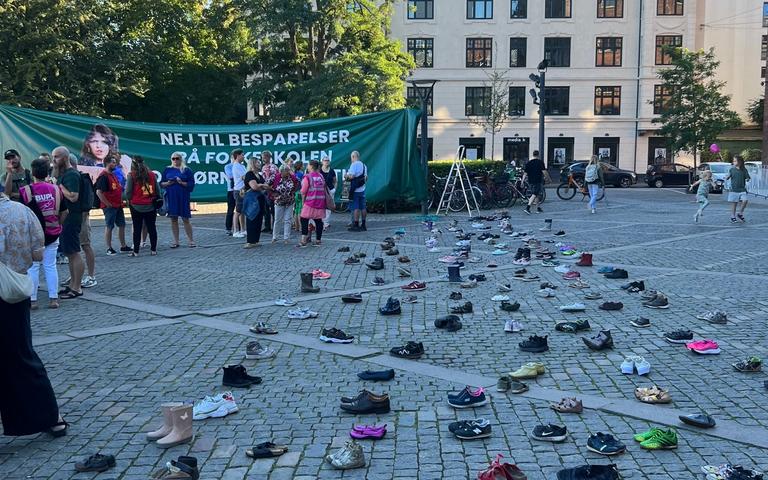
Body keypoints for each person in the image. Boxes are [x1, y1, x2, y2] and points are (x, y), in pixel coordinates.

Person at [0, 182, 67, 438]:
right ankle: (51, 417)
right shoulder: (22, 211)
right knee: (23, 356)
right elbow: (38, 254)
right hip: (14, 292)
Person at [19, 157, 63, 310]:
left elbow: (22, 214)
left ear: (32, 173)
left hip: (33, 235)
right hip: (53, 232)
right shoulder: (56, 189)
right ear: (47, 172)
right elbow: (65, 211)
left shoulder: (25, 191)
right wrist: (58, 223)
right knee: (50, 266)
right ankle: (53, 299)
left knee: (33, 267)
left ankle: (33, 300)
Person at [54, 147, 84, 299]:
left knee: (74, 252)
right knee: (69, 252)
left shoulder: (71, 175)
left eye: (56, 157)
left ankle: (77, 287)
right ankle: (73, 284)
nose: (54, 161)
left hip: (72, 217)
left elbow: (73, 197)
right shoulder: (63, 174)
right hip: (66, 217)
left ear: (65, 158)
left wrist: (59, 187)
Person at [70, 154, 97, 289]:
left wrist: (83, 217)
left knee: (85, 245)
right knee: (74, 248)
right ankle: (75, 275)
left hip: (82, 217)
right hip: (72, 218)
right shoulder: (70, 178)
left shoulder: (81, 178)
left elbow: (87, 201)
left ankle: (91, 276)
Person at [125, 156, 161, 256]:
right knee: (151, 227)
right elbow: (157, 190)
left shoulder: (131, 175)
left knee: (137, 228)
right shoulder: (152, 175)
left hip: (136, 205)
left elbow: (128, 192)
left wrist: (130, 200)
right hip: (150, 205)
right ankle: (153, 250)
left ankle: (136, 251)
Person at [95, 156, 130, 255]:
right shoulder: (104, 176)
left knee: (122, 225)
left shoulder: (113, 175)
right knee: (109, 226)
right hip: (110, 206)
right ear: (107, 163)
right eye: (113, 162)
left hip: (118, 205)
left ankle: (123, 246)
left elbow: (117, 189)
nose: (115, 164)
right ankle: (109, 248)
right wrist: (107, 204)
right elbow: (99, 192)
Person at [161, 152, 195, 247]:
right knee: (173, 219)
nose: (175, 160)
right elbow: (161, 183)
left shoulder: (186, 170)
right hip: (171, 197)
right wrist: (168, 183)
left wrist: (182, 182)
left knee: (185, 219)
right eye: (173, 159)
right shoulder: (167, 169)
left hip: (183, 197)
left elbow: (191, 185)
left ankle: (191, 240)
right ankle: (176, 241)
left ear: (181, 159)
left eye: (177, 158)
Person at [242, 158, 271, 248]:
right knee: (252, 219)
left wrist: (262, 186)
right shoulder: (249, 174)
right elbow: (254, 186)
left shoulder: (259, 175)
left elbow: (267, 186)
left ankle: (256, 241)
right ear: (253, 164)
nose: (260, 163)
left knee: (259, 220)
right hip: (252, 200)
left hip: (260, 199)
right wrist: (262, 185)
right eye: (258, 162)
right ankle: (250, 241)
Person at [299, 160, 327, 247]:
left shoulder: (307, 177)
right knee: (318, 221)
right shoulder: (321, 176)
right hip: (320, 202)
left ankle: (304, 240)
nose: (307, 166)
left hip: (310, 202)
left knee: (304, 219)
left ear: (311, 166)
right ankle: (318, 240)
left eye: (308, 165)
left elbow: (303, 190)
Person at [271, 164, 300, 244]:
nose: (288, 172)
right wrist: (272, 194)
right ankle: (275, 237)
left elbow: (298, 183)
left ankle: (286, 237)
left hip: (289, 201)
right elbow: (267, 184)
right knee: (277, 220)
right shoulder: (276, 177)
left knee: (288, 220)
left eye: (288, 170)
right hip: (279, 201)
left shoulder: (292, 177)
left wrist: (294, 193)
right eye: (286, 171)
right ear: (281, 171)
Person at [345, 151, 367, 231]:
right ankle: (363, 225)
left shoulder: (354, 165)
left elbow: (351, 176)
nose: (351, 159)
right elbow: (366, 178)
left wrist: (346, 175)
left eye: (351, 157)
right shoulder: (364, 166)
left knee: (356, 207)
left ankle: (356, 225)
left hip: (355, 190)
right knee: (363, 207)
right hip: (362, 189)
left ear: (353, 157)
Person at [725, 155, 751, 224]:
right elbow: (728, 176)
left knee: (745, 200)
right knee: (734, 204)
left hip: (742, 189)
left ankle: (740, 213)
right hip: (733, 190)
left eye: (735, 161)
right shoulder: (732, 169)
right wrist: (727, 177)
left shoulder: (744, 170)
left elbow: (747, 177)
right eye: (733, 161)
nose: (734, 162)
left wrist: (748, 179)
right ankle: (733, 216)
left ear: (740, 162)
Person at [523, 150, 546, 215]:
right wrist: (548, 178)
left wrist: (522, 181)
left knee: (537, 194)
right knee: (535, 194)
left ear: (533, 155)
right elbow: (544, 172)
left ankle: (538, 208)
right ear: (538, 155)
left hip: (530, 181)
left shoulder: (529, 163)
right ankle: (527, 208)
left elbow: (525, 173)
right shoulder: (540, 162)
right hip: (537, 180)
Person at [231, 149, 247, 238]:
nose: (244, 157)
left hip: (243, 190)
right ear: (237, 155)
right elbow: (244, 177)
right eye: (242, 155)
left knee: (242, 211)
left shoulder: (241, 166)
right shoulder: (236, 166)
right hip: (239, 190)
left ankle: (243, 229)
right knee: (238, 211)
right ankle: (235, 231)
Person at [261, 151, 277, 234]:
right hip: (264, 190)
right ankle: (267, 226)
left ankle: (275, 227)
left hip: (271, 190)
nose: (263, 159)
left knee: (273, 209)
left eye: (264, 157)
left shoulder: (273, 167)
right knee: (265, 209)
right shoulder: (263, 167)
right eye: (262, 157)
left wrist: (266, 183)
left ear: (269, 157)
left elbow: (274, 177)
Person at [320, 155, 336, 230]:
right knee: (322, 205)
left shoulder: (332, 171)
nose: (326, 162)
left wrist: (334, 189)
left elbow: (335, 181)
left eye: (327, 160)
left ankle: (326, 222)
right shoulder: (319, 170)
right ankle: (321, 221)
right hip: (321, 190)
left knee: (329, 206)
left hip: (330, 190)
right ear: (322, 162)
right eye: (325, 160)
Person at [224, 154, 235, 236]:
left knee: (240, 210)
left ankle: (238, 228)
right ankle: (228, 228)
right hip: (231, 190)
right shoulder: (228, 166)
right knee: (230, 210)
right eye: (233, 158)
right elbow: (230, 176)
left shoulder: (241, 166)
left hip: (239, 190)